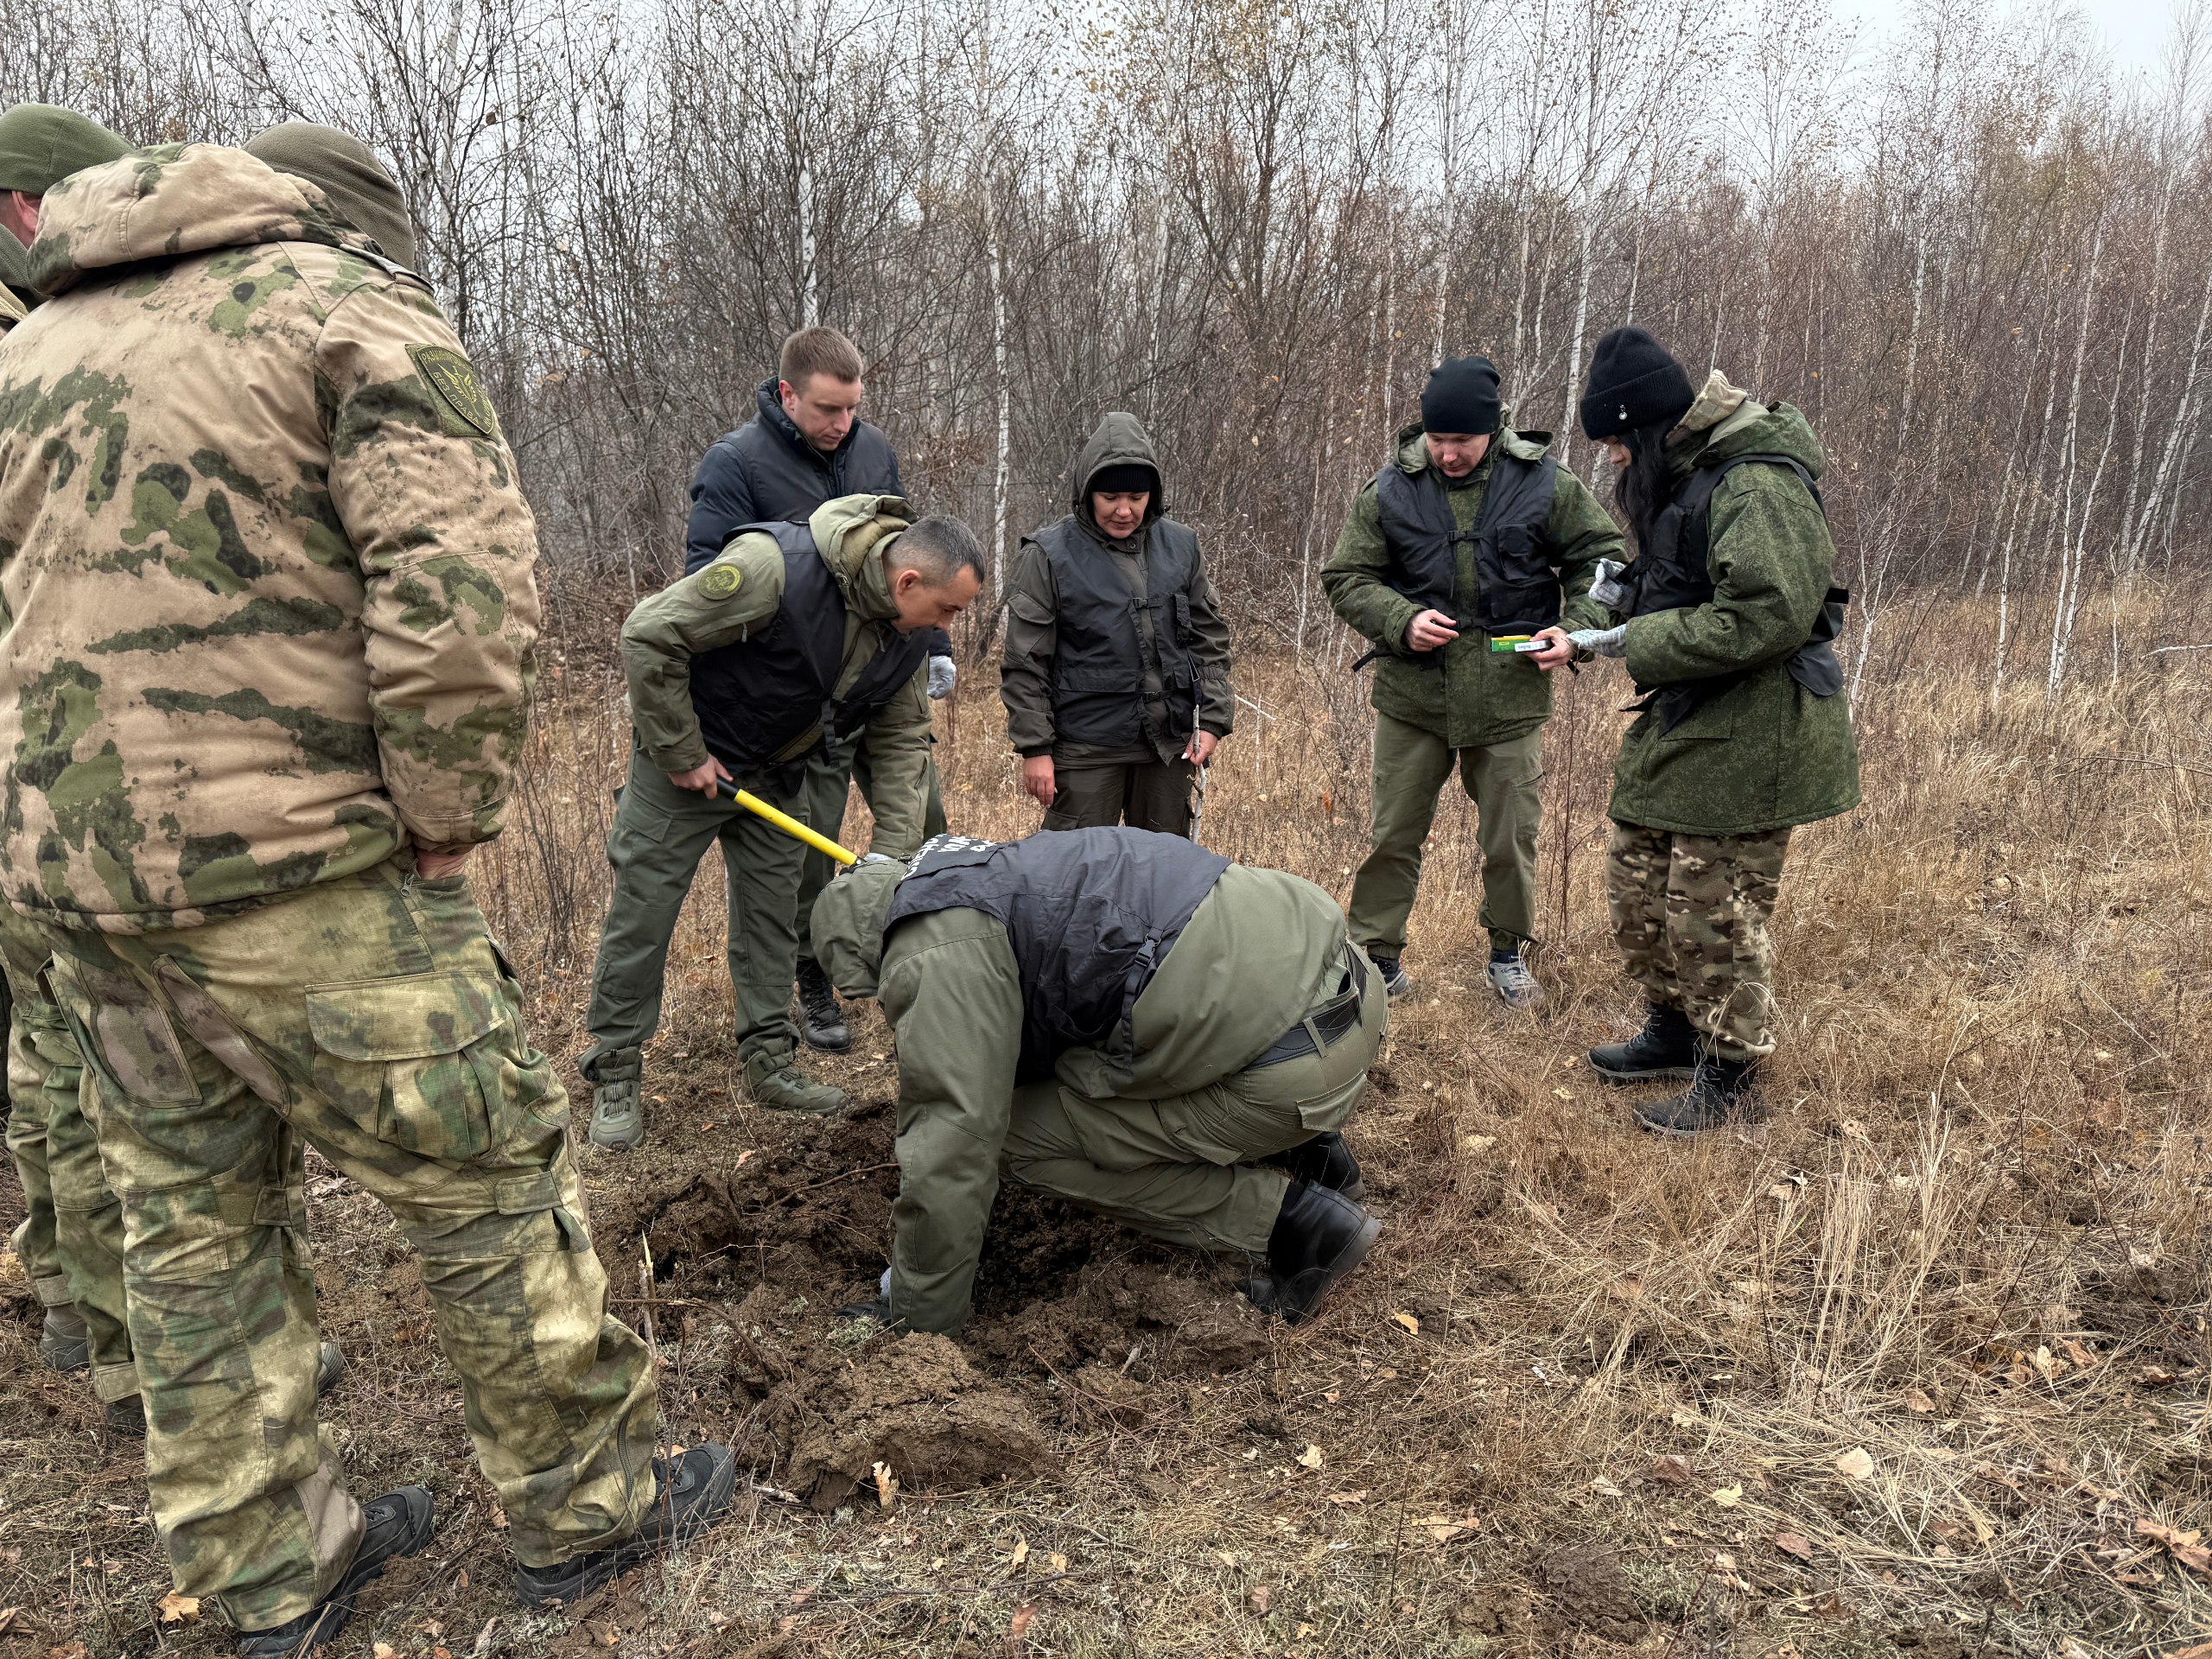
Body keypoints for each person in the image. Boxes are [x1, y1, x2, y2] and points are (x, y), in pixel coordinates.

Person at [0, 137, 734, 1653]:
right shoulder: (343, 309)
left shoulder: (37, 346)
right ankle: (584, 1507)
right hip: (308, 869)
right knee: (484, 1176)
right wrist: (446, 810)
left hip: (84, 889)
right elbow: (458, 578)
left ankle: (272, 1575)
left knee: (188, 1228)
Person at [810, 830, 1385, 1337]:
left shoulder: (930, 948)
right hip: (1343, 986)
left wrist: (918, 1320)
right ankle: (1314, 1154)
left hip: (1289, 1065)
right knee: (1118, 1028)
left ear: (867, 948)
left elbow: (954, 1148)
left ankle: (1299, 1227)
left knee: (1012, 1139)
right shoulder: (986, 872)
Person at [579, 499, 982, 1144]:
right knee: (645, 912)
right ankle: (617, 1068)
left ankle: (770, 1059)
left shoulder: (908, 637)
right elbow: (649, 632)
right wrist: (682, 751)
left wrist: (888, 856)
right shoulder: (777, 569)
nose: (949, 625)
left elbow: (904, 741)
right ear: (908, 582)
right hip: (685, 763)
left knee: (773, 917)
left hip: (777, 774)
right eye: (948, 609)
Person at [1552, 327, 1859, 1133]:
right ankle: (1674, 1031)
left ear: (1649, 428)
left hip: (1760, 728)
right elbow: (1686, 578)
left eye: (1619, 444)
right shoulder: (1691, 476)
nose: (1615, 461)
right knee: (1637, 879)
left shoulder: (1755, 482)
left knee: (1710, 905)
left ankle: (1730, 1079)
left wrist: (1626, 641)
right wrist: (1613, 603)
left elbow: (1769, 614)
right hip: (1693, 715)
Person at [1322, 355, 1623, 1010]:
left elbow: (1604, 563)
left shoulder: (1545, 484)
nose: (1449, 453)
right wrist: (1400, 620)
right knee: (1393, 835)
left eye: (1462, 440)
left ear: (1494, 429)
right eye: (1438, 440)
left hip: (1509, 696)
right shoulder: (1389, 490)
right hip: (1413, 698)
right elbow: (1347, 578)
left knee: (1512, 839)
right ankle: (1377, 959)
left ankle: (1507, 956)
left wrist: (1577, 630)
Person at [683, 325, 952, 1055]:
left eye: (853, 410)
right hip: (808, 700)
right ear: (786, 394)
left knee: (923, 817)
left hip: (887, 673)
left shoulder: (871, 449)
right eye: (829, 410)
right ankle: (813, 975)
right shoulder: (736, 463)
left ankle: (927, 963)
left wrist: (936, 643)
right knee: (812, 848)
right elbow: (706, 582)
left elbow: (916, 557)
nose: (844, 425)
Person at [0, 103, 144, 1428]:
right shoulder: (37, 356)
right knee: (97, 1055)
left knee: (47, 1052)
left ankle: (62, 1298)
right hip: (42, 766)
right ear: (34, 209)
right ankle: (130, 1357)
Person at [1001, 412, 1234, 835]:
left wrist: (1214, 720)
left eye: (1136, 496)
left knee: (1164, 876)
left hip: (1169, 746)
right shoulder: (1048, 554)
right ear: (1087, 492)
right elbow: (1025, 662)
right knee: (1074, 874)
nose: (1124, 510)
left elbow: (1210, 639)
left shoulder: (1182, 545)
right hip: (1086, 747)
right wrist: (1035, 749)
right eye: (1110, 496)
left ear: (1152, 494)